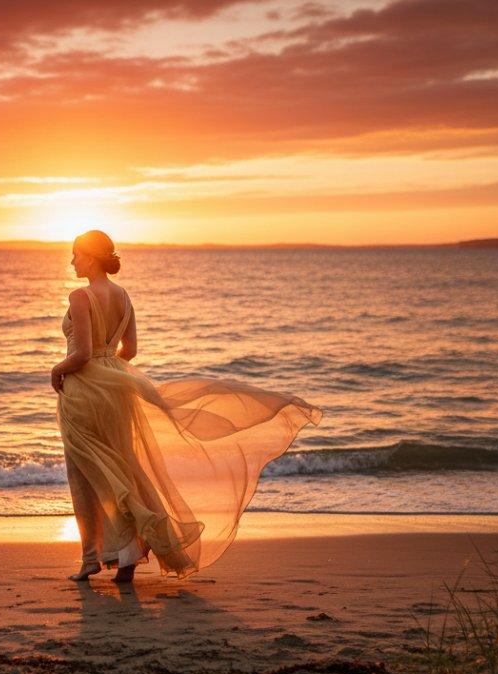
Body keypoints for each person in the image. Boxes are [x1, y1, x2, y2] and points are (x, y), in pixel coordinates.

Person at [52, 230, 321, 583]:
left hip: (86, 391)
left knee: (88, 475)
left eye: (75, 255)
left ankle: (91, 559)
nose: (72, 261)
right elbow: (129, 350)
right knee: (124, 469)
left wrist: (58, 368)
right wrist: (111, 369)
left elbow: (83, 353)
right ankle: (129, 555)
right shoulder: (124, 296)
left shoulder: (80, 296)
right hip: (117, 391)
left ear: (89, 257)